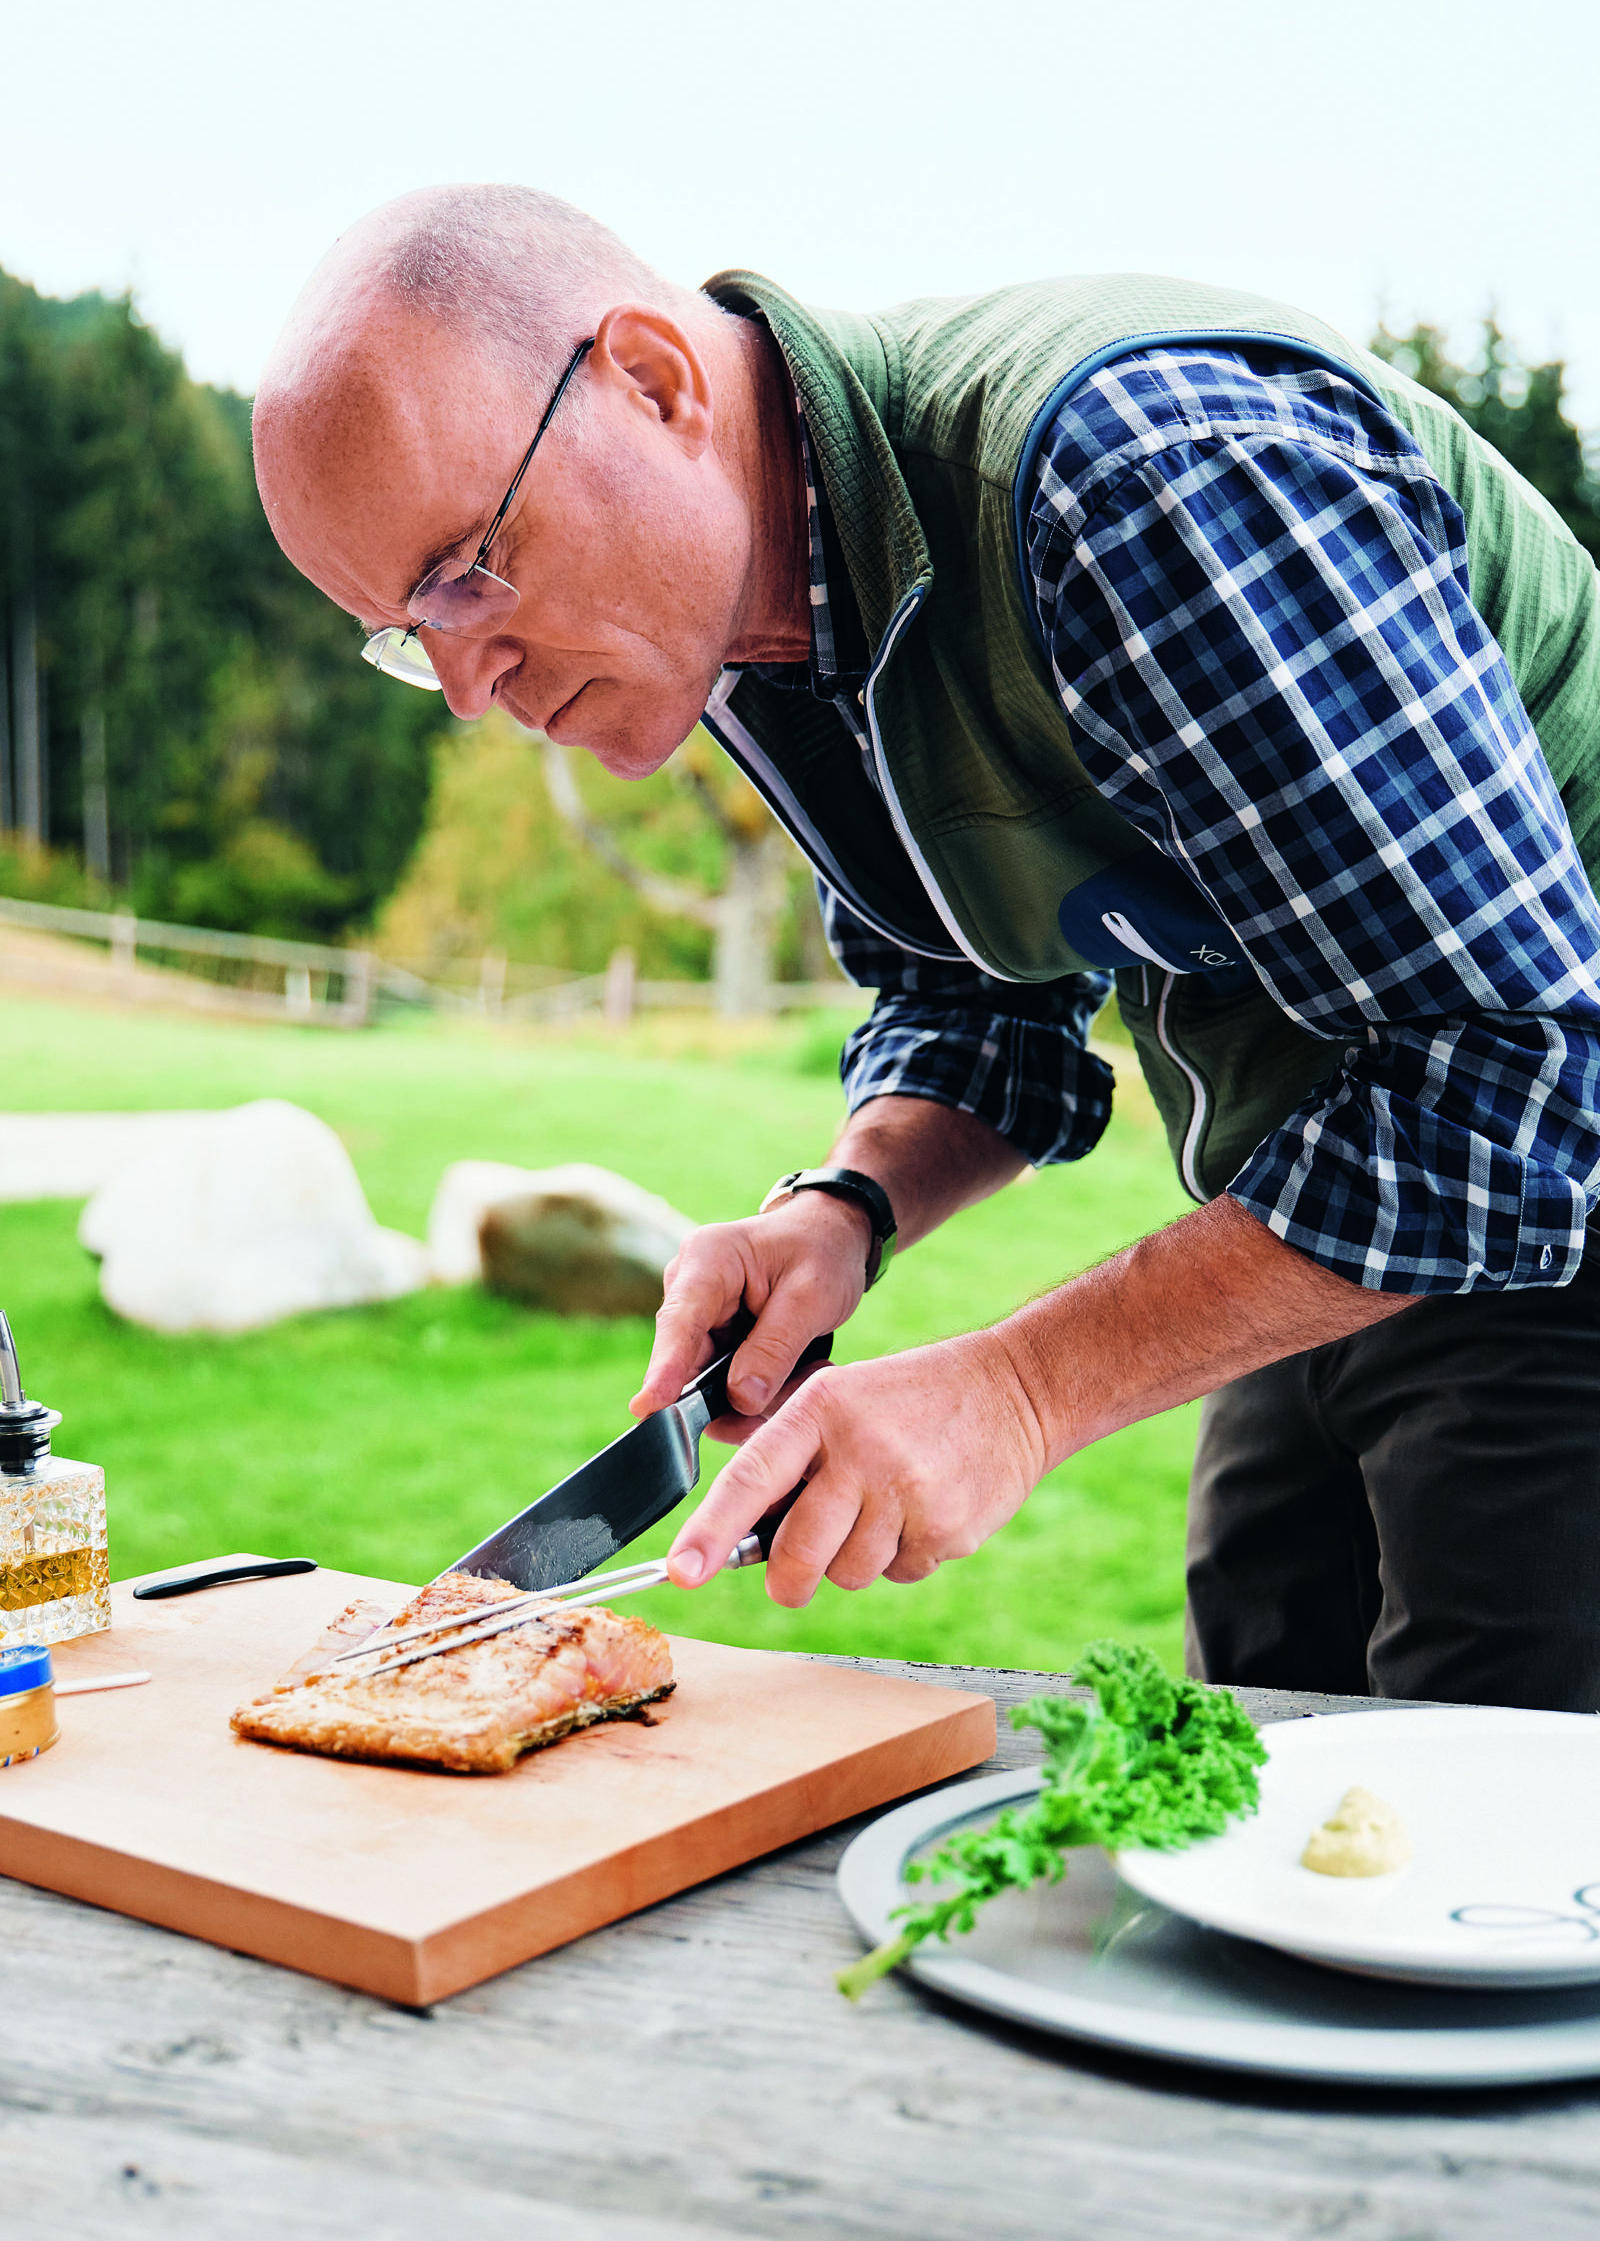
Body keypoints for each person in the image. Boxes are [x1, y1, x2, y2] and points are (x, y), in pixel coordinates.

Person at [253, 184, 1600, 1711]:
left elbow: (1515, 1087)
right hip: (1325, 1175)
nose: (472, 688)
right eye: (406, 634)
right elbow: (977, 994)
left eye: (470, 573)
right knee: (1267, 1735)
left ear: (653, 381)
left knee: (1502, 1819)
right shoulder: (748, 623)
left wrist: (1017, 1394)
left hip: (1547, 1163)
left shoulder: (1143, 486)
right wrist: (846, 1209)